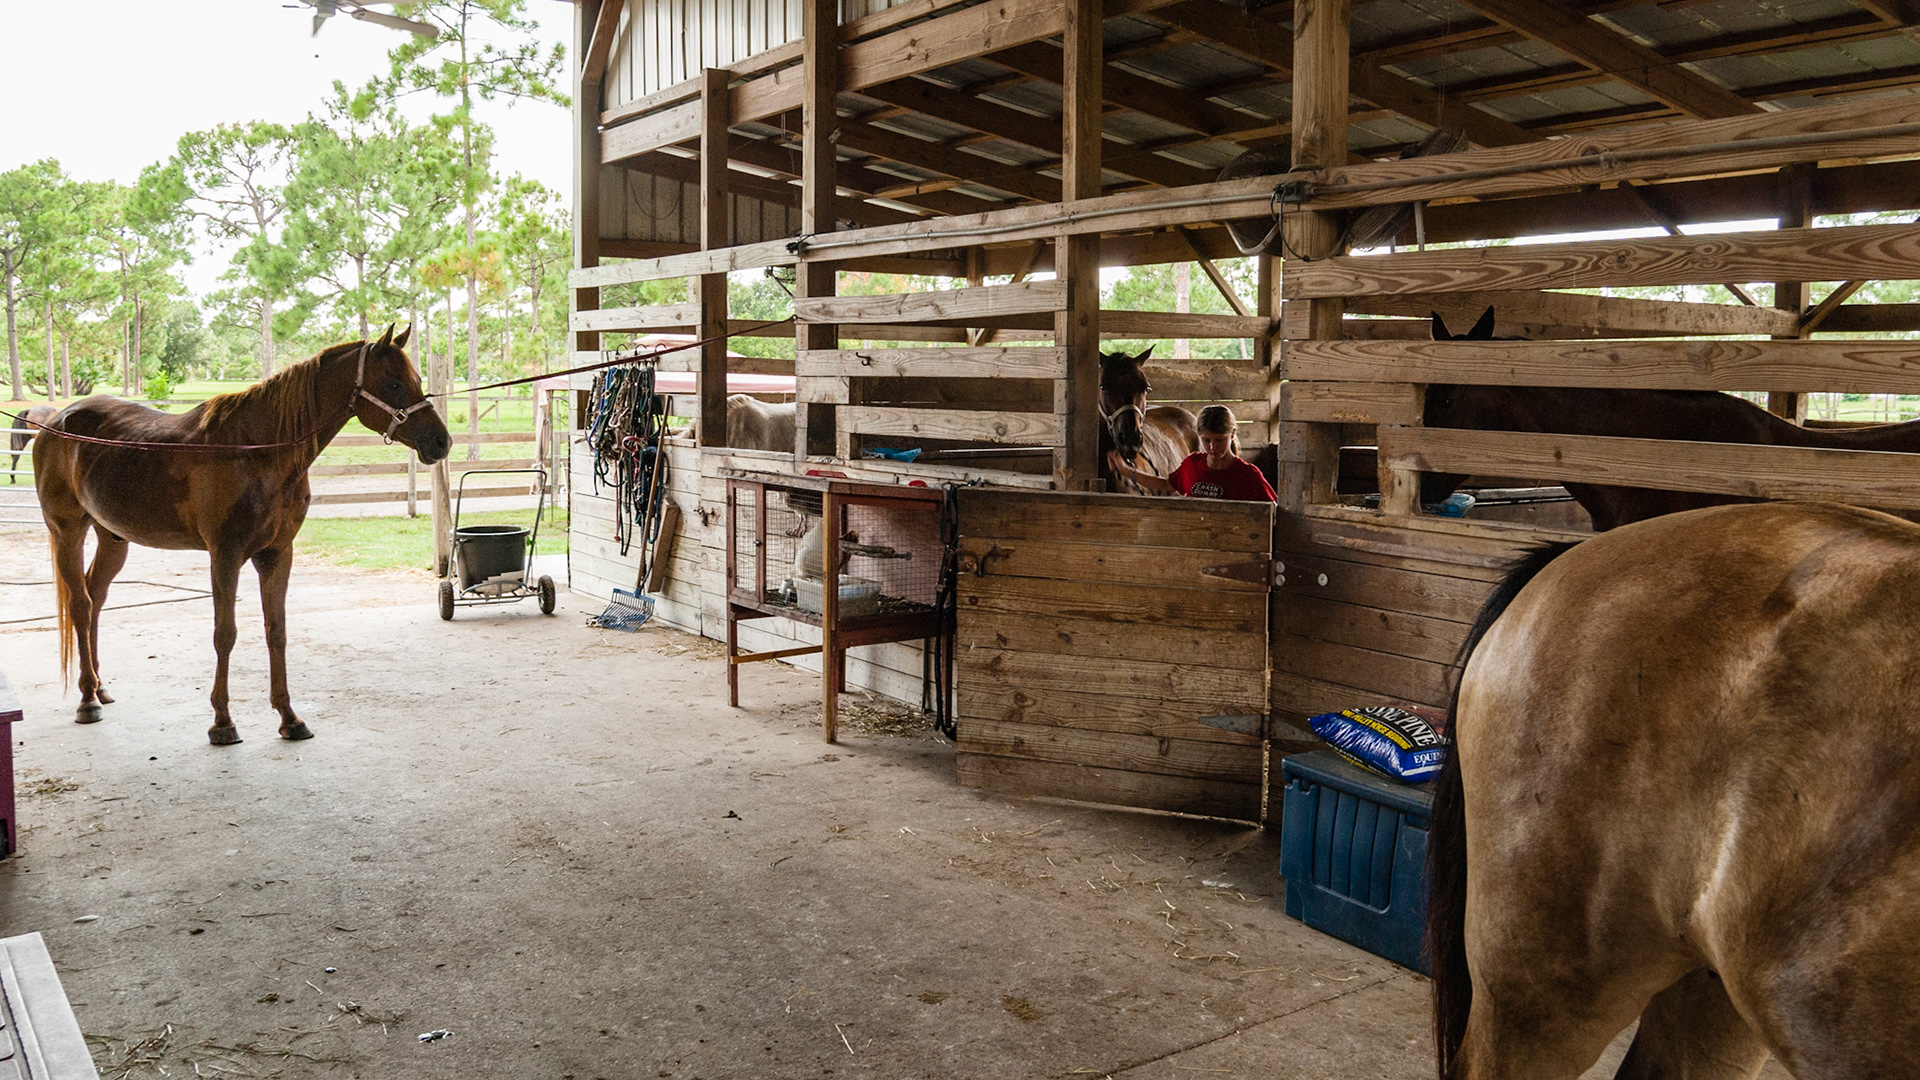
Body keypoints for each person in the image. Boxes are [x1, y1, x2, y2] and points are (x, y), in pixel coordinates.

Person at [1106, 405, 1276, 502]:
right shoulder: (1193, 464)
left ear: (1232, 434)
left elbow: (1271, 507)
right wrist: (1126, 471)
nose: (1212, 447)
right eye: (1206, 440)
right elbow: (1167, 485)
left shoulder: (1248, 475)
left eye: (1219, 440)